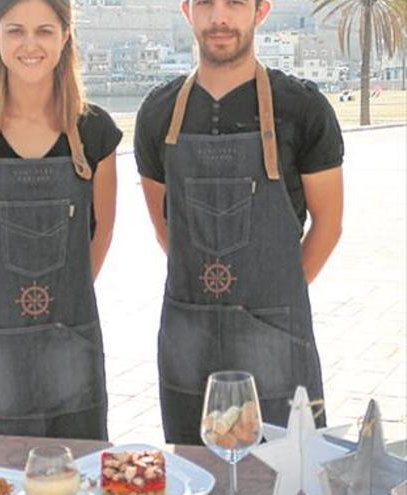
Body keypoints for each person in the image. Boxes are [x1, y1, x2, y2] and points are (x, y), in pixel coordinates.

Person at [134, 0, 344, 444]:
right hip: (188, 336)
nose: (220, 17)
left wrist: (274, 297)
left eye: (234, 3)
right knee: (196, 467)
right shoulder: (157, 113)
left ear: (261, 10)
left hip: (276, 337)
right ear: (187, 10)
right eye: (206, 3)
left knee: (288, 472)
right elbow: (162, 223)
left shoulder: (303, 108)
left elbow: (329, 224)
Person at [0, 0, 120, 439]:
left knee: (79, 469)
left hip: (72, 343)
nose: (30, 44)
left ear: (65, 37)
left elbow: (103, 233)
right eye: (15, 30)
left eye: (44, 30)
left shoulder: (95, 133)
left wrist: (66, 303)